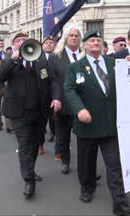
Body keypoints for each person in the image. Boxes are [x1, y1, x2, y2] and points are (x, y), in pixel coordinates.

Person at [64, 30, 130, 216]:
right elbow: (70, 90)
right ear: (85, 45)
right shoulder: (75, 68)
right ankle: (87, 188)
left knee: (114, 165)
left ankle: (120, 204)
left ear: (103, 46)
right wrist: (79, 109)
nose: (95, 43)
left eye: (98, 41)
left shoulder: (115, 64)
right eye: (91, 41)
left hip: (110, 124)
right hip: (87, 124)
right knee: (86, 163)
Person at [0, 32, 61, 199]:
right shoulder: (10, 60)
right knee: (25, 145)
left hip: (39, 111)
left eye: (24, 40)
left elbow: (53, 80)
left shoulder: (41, 60)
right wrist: (14, 59)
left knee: (35, 144)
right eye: (18, 41)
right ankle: (28, 181)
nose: (22, 42)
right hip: (19, 112)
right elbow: (1, 77)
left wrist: (56, 98)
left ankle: (30, 170)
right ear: (14, 45)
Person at [48, 27, 83, 173]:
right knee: (63, 135)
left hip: (82, 103)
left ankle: (85, 166)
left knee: (85, 137)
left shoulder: (85, 55)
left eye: (76, 36)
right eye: (71, 35)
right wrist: (56, 98)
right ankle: (65, 161)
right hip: (63, 101)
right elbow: (53, 80)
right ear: (66, 38)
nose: (74, 38)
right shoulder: (56, 56)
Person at [38, 37, 57, 155]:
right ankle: (40, 144)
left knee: (56, 120)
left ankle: (56, 141)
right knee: (41, 122)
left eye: (51, 43)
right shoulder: (38, 58)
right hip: (43, 95)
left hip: (56, 94)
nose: (49, 45)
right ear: (42, 45)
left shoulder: (58, 57)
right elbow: (41, 75)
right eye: (46, 43)